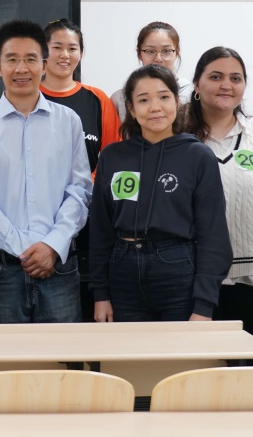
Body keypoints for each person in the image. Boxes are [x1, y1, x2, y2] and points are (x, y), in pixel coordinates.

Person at [0, 20, 92, 324]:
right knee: (6, 354)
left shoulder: (68, 121)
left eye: (31, 59)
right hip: (2, 269)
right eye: (12, 59)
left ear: (44, 65)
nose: (21, 68)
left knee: (63, 352)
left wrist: (52, 245)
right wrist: (25, 250)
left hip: (60, 264)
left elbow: (79, 190)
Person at [90, 64, 232, 323]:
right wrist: (101, 294)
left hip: (178, 271)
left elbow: (213, 234)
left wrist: (204, 306)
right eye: (144, 100)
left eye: (164, 97)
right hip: (122, 273)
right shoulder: (113, 157)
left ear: (177, 102)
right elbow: (100, 229)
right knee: (127, 349)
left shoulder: (198, 156)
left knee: (179, 350)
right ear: (131, 109)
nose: (155, 107)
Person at [182, 47, 253, 344]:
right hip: (192, 280)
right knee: (199, 367)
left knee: (250, 367)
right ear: (196, 84)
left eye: (235, 78)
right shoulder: (176, 136)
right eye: (216, 77)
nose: (226, 85)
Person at [39, 18, 121, 321]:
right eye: (57, 47)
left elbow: (112, 158)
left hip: (89, 218)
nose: (65, 55)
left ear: (81, 53)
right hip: (40, 219)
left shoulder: (97, 99)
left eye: (72, 48)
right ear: (44, 52)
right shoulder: (29, 97)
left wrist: (83, 186)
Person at [111, 21, 191, 119]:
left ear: (177, 52)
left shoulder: (191, 94)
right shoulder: (119, 99)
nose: (158, 58)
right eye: (150, 51)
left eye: (166, 51)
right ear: (139, 54)